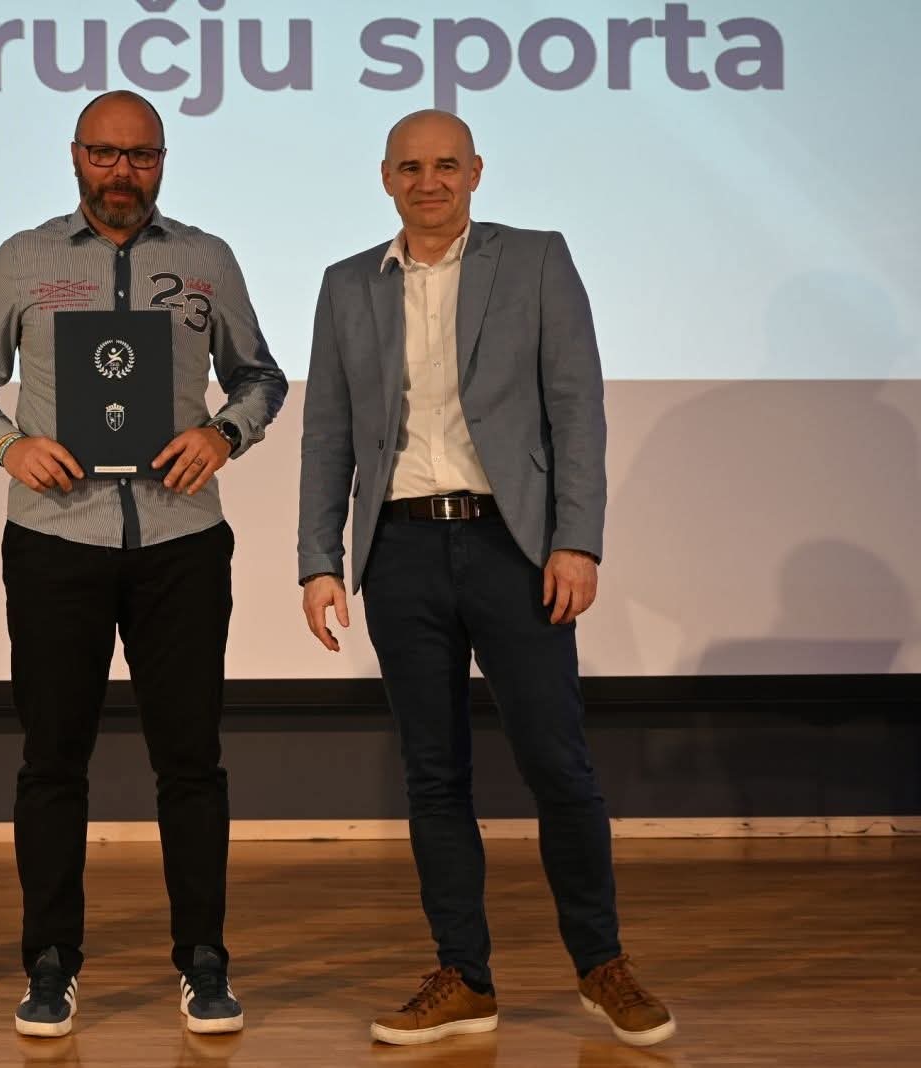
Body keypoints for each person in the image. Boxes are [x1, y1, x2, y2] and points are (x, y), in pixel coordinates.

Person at [296, 110, 675, 1049]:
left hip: (514, 547)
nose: (428, 182)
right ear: (386, 177)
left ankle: (601, 965)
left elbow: (576, 410)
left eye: (446, 165)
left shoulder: (537, 259)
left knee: (557, 763)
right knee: (434, 775)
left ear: (476, 172)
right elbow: (328, 433)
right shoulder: (347, 283)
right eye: (410, 167)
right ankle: (463, 976)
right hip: (400, 551)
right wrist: (319, 560)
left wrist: (577, 541)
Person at [0, 90, 287, 1038]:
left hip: (181, 542)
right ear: (75, 156)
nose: (122, 172)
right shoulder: (24, 259)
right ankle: (50, 964)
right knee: (52, 763)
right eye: (104, 154)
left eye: (141, 155)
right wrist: (8, 444)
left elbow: (261, 376)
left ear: (163, 160)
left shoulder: (207, 260)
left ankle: (204, 960)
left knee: (193, 763)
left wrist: (224, 434)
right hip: (57, 540)